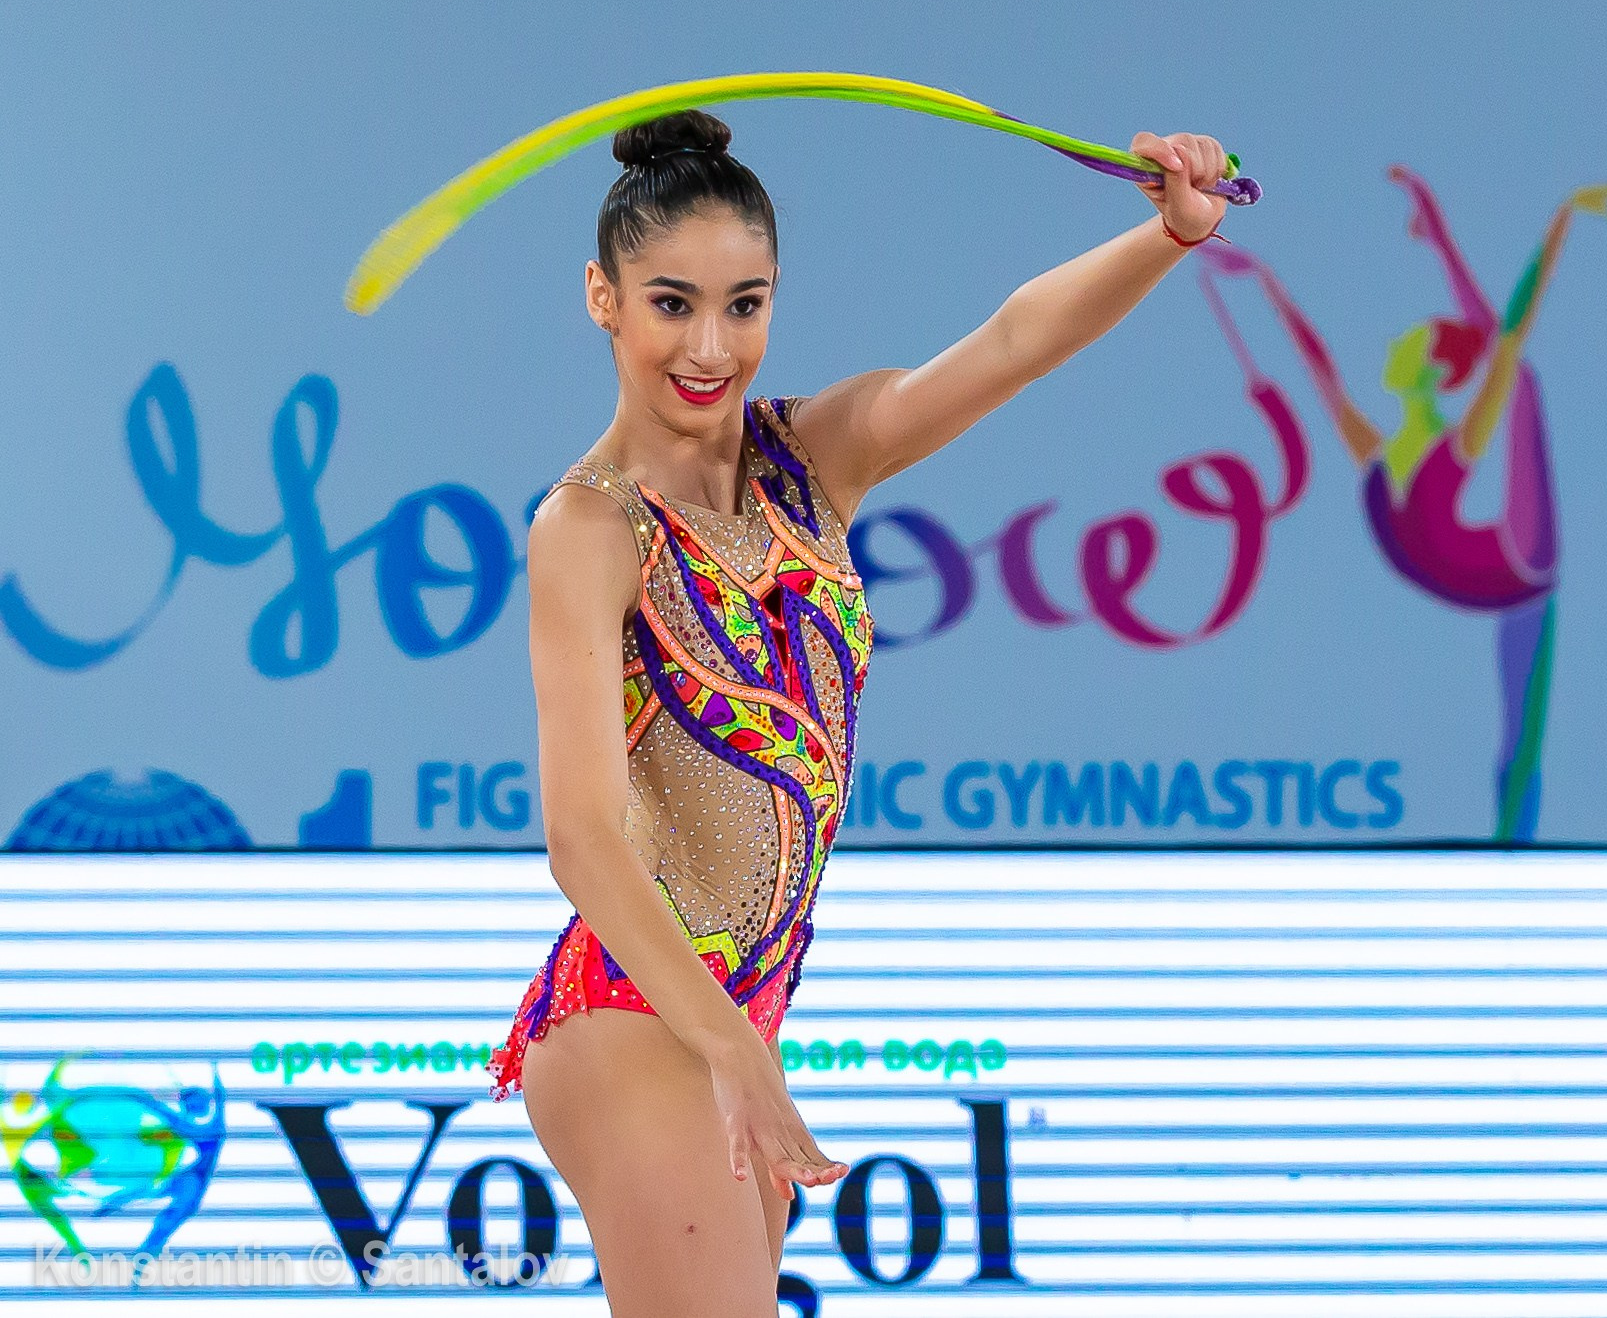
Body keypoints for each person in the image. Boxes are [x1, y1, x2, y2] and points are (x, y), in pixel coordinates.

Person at [479, 107, 1233, 1315]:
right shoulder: (588, 529)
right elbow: (578, 834)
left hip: (736, 1016)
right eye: (671, 303)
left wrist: (1170, 236)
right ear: (602, 299)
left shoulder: (813, 459)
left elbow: (1008, 345)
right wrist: (731, 1050)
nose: (711, 346)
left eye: (746, 303)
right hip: (641, 1009)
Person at [1196, 167, 1607, 840]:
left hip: (1517, 568)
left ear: (1430, 370)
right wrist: (1265, 281)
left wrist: (1555, 224)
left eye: (1409, 341)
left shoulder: (1450, 453)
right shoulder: (1378, 452)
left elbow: (1507, 341)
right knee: (1513, 749)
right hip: (1476, 569)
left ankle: (1517, 874)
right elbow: (1322, 377)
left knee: (1524, 382)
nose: (1394, 346)